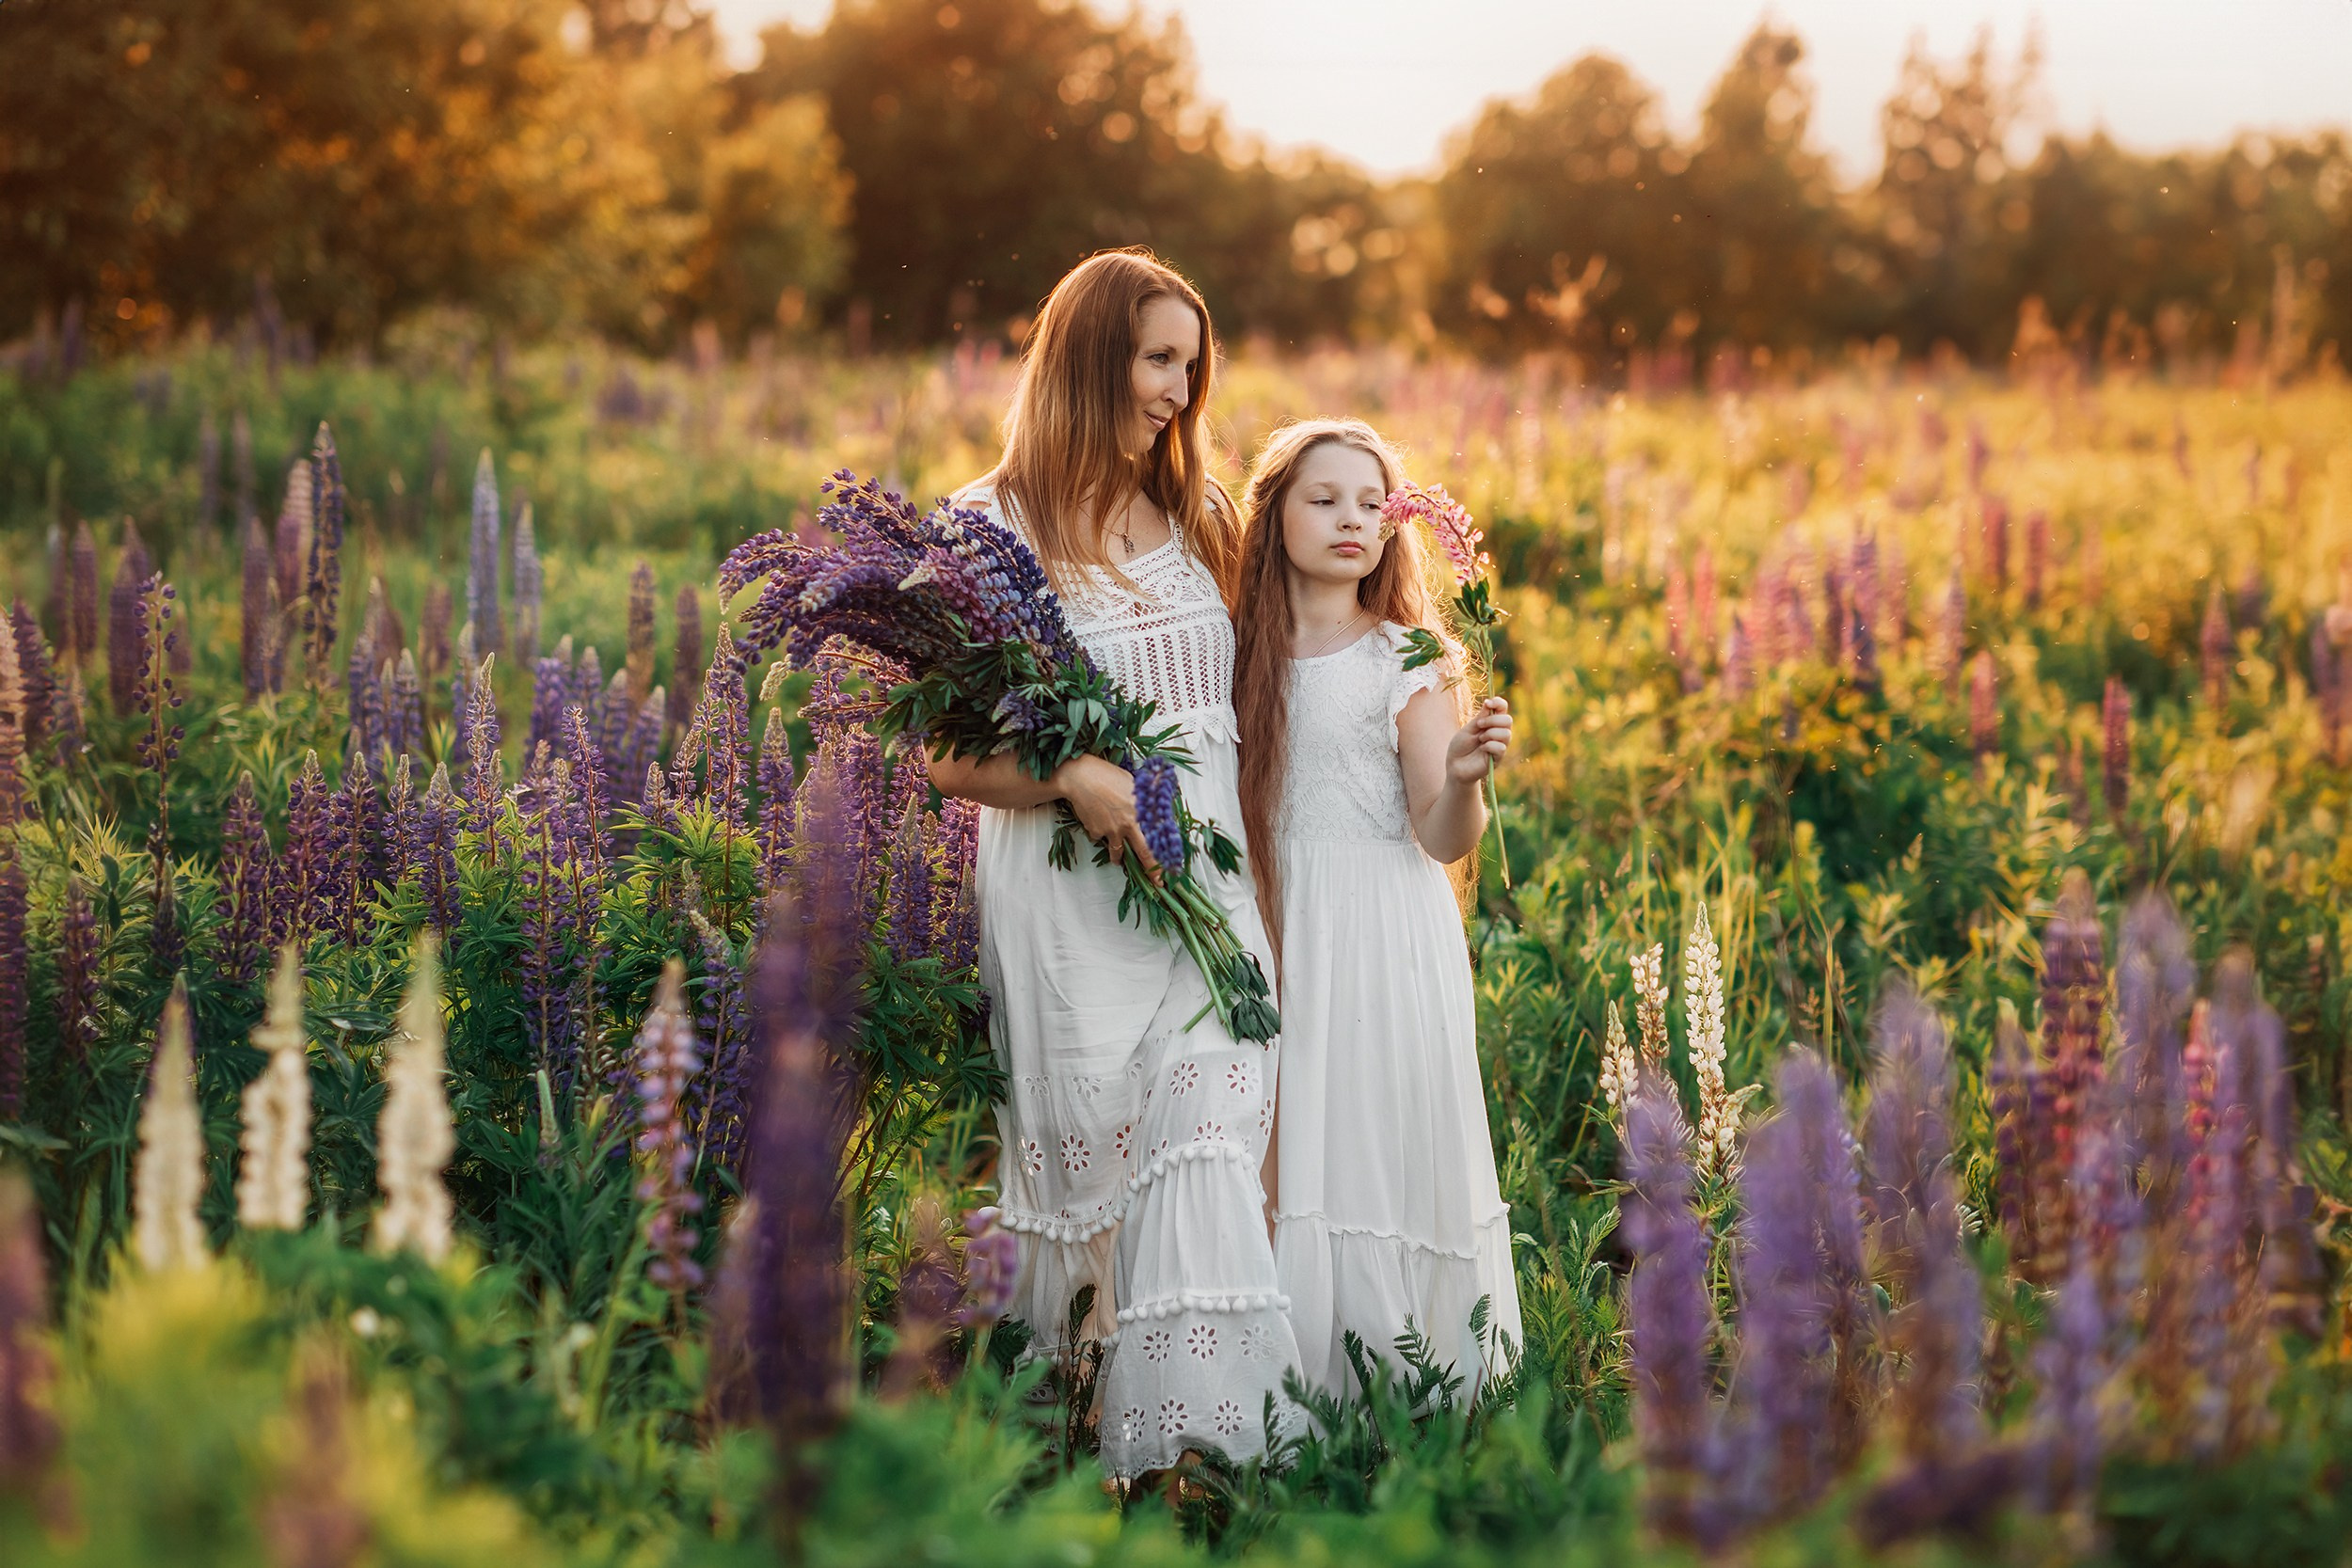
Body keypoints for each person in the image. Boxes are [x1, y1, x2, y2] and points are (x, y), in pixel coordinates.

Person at [928, 249, 1304, 1481]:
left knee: (1207, 1133)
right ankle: (1084, 1434)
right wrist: (1075, 776)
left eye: (1190, 367)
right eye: (1157, 361)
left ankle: (1200, 1454)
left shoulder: (1201, 515)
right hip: (1071, 900)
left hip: (1213, 893)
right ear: (1088, 358)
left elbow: (1257, 704)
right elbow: (947, 752)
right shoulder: (985, 530)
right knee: (1096, 1161)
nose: (1178, 393)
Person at [1231, 418, 1523, 1400]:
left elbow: (1441, 834)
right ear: (1273, 516)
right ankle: (1288, 1382)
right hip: (1279, 922)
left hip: (1386, 929)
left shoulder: (1407, 653)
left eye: (1372, 503)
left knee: (1374, 1130)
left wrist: (1468, 777)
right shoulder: (1234, 653)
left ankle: (1401, 1381)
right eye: (1324, 499)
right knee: (1284, 1137)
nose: (1352, 519)